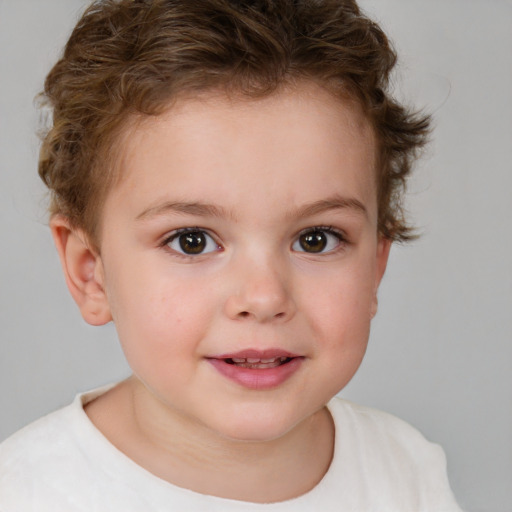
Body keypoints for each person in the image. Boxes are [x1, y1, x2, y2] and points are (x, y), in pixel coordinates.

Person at [0, 0, 463, 509]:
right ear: (92, 273)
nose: (264, 298)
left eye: (317, 239)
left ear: (375, 266)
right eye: (191, 241)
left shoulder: (407, 470)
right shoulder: (25, 492)